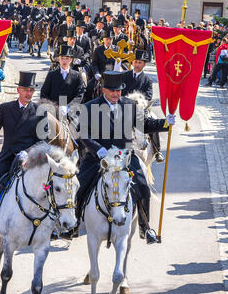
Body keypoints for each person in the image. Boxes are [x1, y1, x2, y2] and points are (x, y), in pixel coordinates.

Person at [75, 71, 175, 244]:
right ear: (103, 90)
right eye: (112, 91)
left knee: (143, 186)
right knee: (80, 185)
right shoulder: (90, 107)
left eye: (118, 91)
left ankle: (145, 227)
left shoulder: (129, 105)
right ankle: (73, 224)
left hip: (124, 156)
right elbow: (84, 134)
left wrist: (165, 122)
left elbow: (145, 124)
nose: (116, 94)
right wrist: (97, 149)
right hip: (99, 156)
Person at [0, 71, 44, 239]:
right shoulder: (5, 109)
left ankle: (50, 225)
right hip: (7, 157)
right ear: (18, 90)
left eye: (31, 91)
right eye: (25, 90)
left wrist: (28, 152)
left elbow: (43, 141)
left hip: (30, 159)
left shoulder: (39, 112)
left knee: (48, 187)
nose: (28, 93)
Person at [122, 50, 165, 163]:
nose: (137, 65)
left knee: (153, 119)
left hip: (141, 108)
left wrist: (140, 103)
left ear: (144, 64)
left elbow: (149, 95)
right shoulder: (124, 76)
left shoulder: (147, 80)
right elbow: (120, 92)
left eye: (140, 63)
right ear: (132, 63)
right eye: (135, 62)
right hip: (125, 107)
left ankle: (157, 150)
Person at [40, 45, 86, 114]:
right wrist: (53, 108)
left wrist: (69, 107)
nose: (64, 61)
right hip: (53, 111)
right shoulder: (51, 75)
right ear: (58, 59)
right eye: (62, 58)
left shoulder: (77, 75)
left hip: (71, 112)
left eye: (67, 58)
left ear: (71, 60)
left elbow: (79, 95)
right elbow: (44, 93)